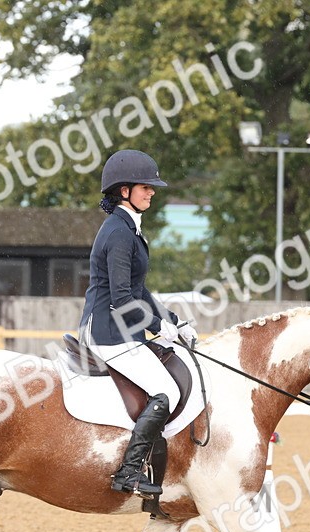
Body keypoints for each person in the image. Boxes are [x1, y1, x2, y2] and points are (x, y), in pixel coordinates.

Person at [78, 149, 195, 497]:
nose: (152, 192)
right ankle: (128, 472)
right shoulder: (119, 233)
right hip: (108, 331)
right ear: (124, 190)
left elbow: (139, 290)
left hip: (120, 328)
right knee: (167, 391)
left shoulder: (128, 228)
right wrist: (158, 328)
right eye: (146, 186)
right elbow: (121, 298)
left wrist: (173, 321)